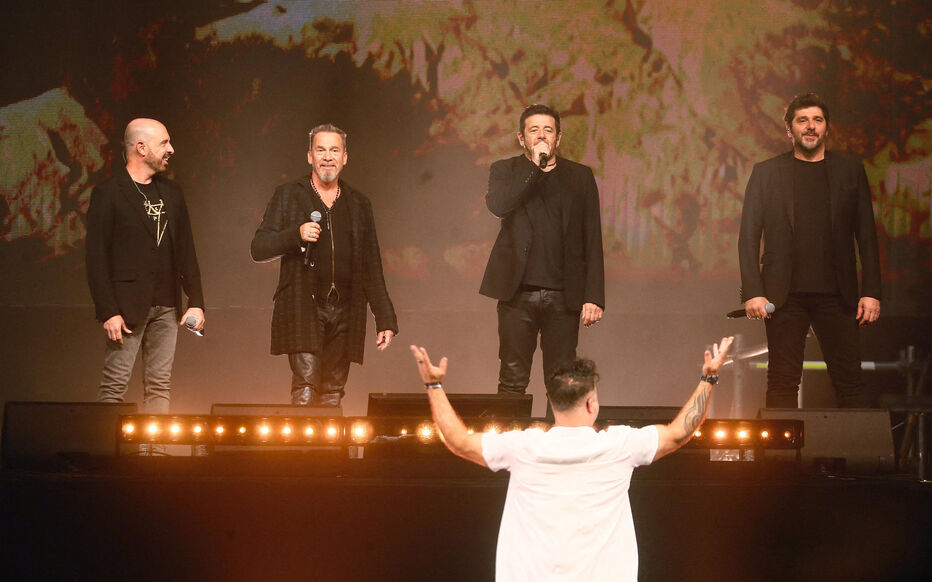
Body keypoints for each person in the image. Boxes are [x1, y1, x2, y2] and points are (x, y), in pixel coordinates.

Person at [409, 336, 734, 581]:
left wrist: (433, 384)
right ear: (592, 404)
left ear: (552, 403)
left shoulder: (523, 447)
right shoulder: (620, 445)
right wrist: (709, 378)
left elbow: (458, 440)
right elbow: (679, 432)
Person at [738, 92, 882, 408]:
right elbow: (748, 237)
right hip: (783, 297)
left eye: (817, 120)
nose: (810, 127)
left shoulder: (850, 170)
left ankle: (851, 457)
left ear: (826, 128)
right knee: (782, 381)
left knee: (850, 383)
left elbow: (867, 236)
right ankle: (781, 458)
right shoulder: (767, 173)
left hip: (838, 295)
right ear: (789, 130)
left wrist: (871, 291)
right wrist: (753, 291)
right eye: (802, 120)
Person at [250, 124, 397, 407]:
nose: (327, 157)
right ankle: (303, 451)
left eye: (334, 150)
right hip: (303, 305)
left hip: (346, 308)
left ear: (345, 158)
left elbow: (371, 265)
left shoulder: (358, 203)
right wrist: (296, 234)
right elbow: (258, 248)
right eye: (321, 150)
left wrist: (385, 318)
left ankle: (329, 452)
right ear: (309, 156)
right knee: (305, 388)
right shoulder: (289, 194)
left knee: (332, 393)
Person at [480, 104, 605, 394]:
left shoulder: (580, 177)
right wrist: (534, 168)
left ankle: (558, 439)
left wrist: (594, 295)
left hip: (563, 296)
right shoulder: (505, 170)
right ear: (521, 138)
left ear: (558, 138)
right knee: (512, 379)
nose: (541, 136)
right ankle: (512, 439)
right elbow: (499, 206)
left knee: (562, 383)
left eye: (548, 130)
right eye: (533, 130)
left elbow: (592, 237)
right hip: (517, 294)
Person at [86, 118, 205, 414]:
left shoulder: (172, 193)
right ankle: (103, 457)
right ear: (141, 147)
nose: (171, 149)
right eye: (164, 143)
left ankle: (155, 455)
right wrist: (108, 311)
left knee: (159, 385)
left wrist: (197, 301)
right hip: (126, 309)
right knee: (114, 386)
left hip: (167, 306)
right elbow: (96, 258)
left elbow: (187, 251)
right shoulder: (110, 193)